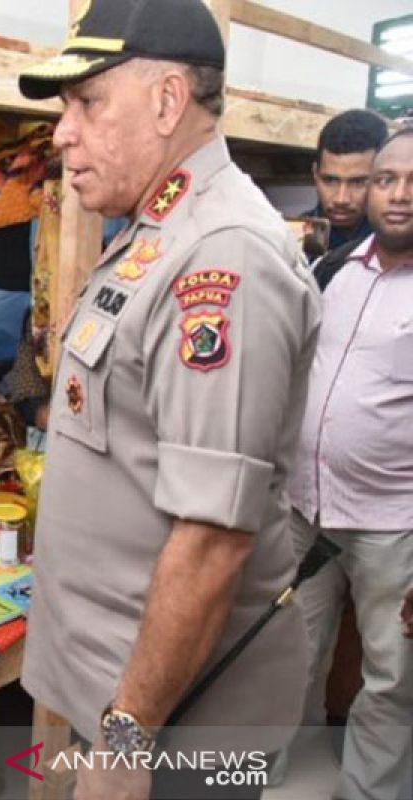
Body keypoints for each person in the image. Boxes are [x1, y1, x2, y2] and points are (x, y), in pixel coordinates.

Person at [16, 1, 321, 798]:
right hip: (126, 693)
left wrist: (125, 741)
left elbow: (213, 539)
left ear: (166, 100)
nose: (61, 132)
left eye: (86, 103)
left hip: (173, 721)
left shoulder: (224, 260)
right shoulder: (154, 231)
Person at [287, 129, 413, 800]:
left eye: (411, 181)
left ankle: (369, 792)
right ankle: (279, 776)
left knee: (393, 679)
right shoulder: (333, 270)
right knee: (289, 654)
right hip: (308, 509)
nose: (397, 194)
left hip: (394, 525)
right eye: (386, 178)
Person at [305, 109, 390, 253]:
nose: (341, 199)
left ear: (384, 179)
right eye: (330, 180)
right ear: (315, 173)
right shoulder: (288, 239)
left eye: (358, 182)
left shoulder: (399, 245)